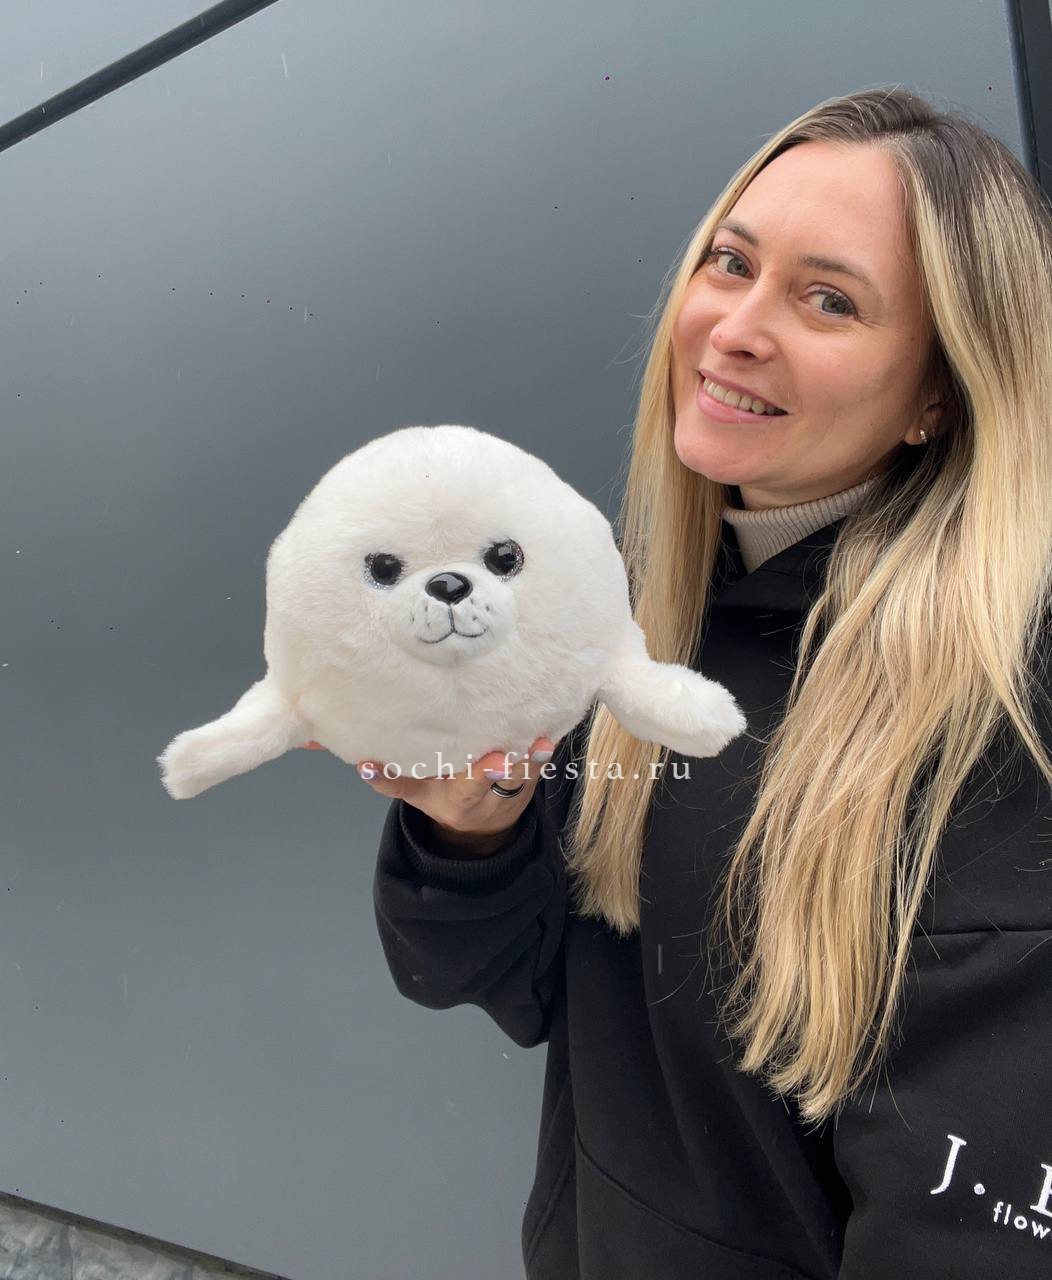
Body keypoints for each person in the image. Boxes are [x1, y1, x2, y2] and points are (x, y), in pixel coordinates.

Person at [314, 86, 1052, 1277]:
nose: (734, 327)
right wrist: (469, 826)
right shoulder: (629, 615)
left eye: (828, 298)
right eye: (730, 261)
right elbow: (519, 986)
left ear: (937, 392)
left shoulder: (994, 729)